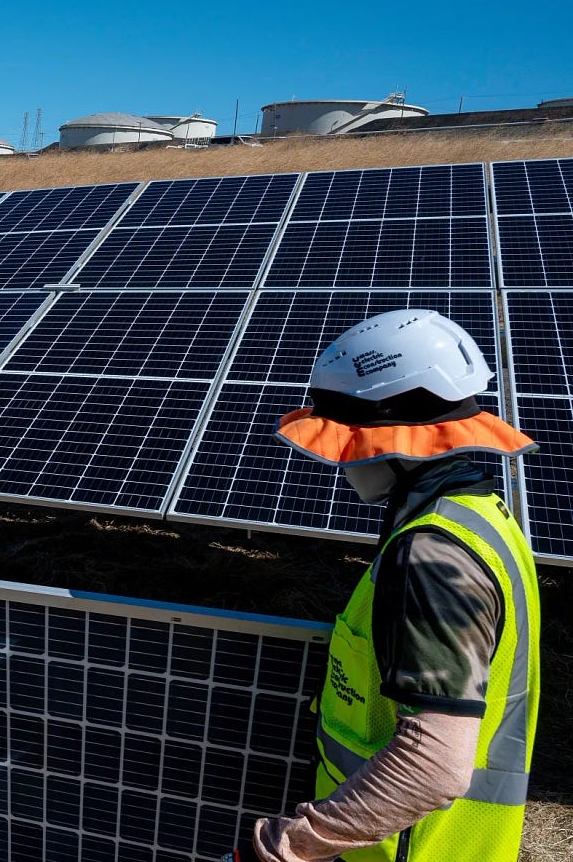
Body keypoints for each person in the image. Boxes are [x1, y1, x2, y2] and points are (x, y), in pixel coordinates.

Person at [221, 309, 541, 862]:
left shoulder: (432, 558)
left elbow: (433, 767)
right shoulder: (482, 516)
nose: (343, 463)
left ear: (392, 437)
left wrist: (283, 850)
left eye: (349, 441)